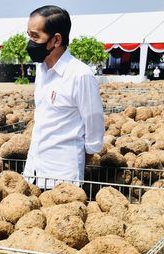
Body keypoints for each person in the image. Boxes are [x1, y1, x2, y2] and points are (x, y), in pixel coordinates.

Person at [22, 5, 104, 188]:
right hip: (33, 173)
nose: (30, 42)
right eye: (29, 35)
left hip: (62, 179)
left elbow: (94, 128)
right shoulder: (41, 69)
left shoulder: (80, 74)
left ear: (56, 40)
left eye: (35, 36)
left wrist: (78, 163)